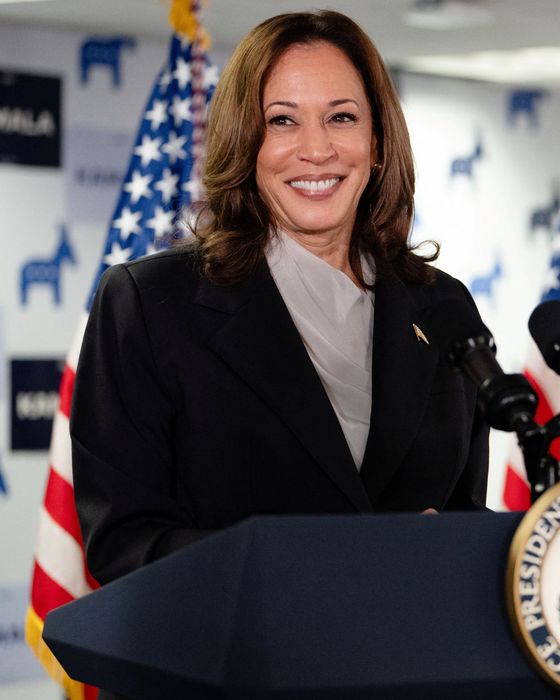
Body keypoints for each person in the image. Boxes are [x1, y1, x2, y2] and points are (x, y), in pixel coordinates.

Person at [72, 11, 489, 588]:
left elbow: (463, 514)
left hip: (406, 643)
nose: (316, 149)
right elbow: (125, 543)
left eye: (341, 117)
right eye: (282, 121)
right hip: (229, 646)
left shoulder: (441, 305)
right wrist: (325, 564)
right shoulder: (149, 303)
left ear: (376, 143)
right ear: (245, 143)